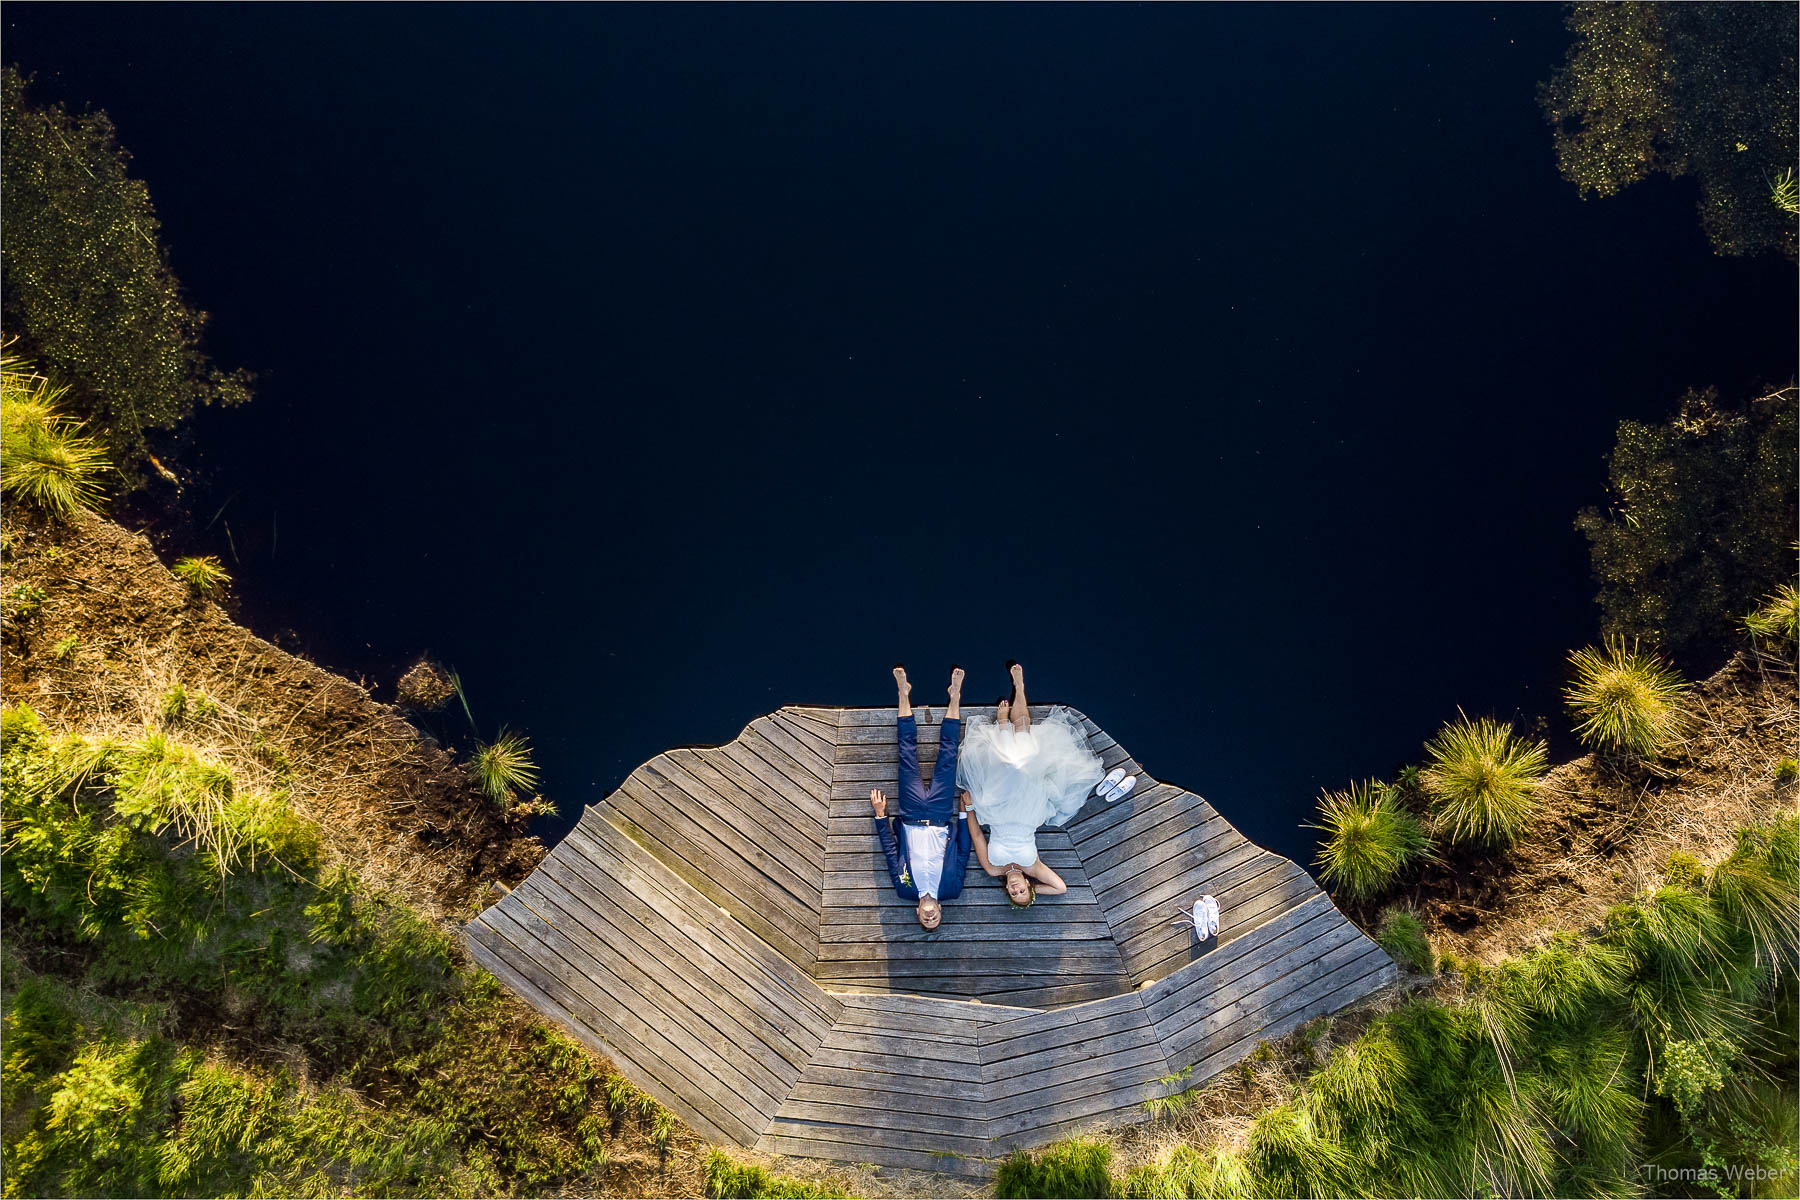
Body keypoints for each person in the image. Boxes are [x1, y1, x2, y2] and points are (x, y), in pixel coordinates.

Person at [960, 661, 1122, 906]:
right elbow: (1060, 888)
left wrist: (969, 808)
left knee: (1011, 764)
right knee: (1027, 758)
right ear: (1027, 885)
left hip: (995, 809)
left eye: (1013, 894)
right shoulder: (1033, 867)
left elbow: (978, 837)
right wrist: (1036, 888)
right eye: (1022, 892)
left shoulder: (994, 869)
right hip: (1029, 808)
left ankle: (1004, 724)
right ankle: (1020, 689)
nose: (1016, 890)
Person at [870, 665, 972, 929]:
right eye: (935, 919)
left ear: (917, 913)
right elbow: (962, 852)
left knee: (906, 756)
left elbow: (891, 854)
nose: (930, 917)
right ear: (939, 910)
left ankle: (903, 693)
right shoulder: (952, 889)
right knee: (948, 757)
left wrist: (881, 817)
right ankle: (955, 697)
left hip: (911, 813)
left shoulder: (904, 890)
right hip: (940, 814)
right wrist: (964, 813)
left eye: (926, 920)